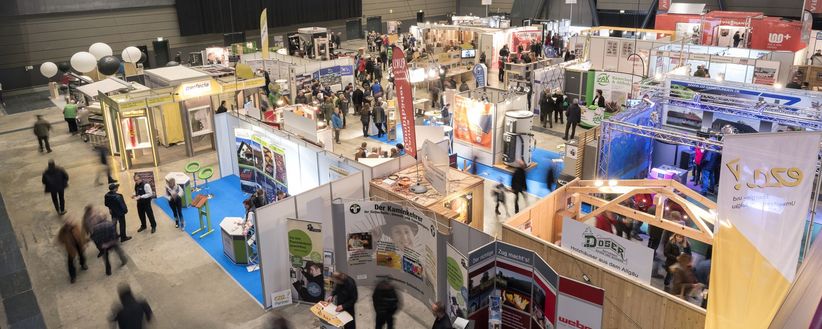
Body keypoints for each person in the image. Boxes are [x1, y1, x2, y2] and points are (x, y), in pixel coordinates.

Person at [56, 217, 88, 283]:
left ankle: (83, 264)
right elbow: (60, 239)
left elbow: (80, 234)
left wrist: (83, 242)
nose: (69, 225)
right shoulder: (63, 231)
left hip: (78, 244)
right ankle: (72, 276)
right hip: (70, 247)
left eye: (70, 223)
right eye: (68, 224)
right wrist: (65, 243)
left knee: (81, 255)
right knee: (70, 262)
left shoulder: (75, 226)